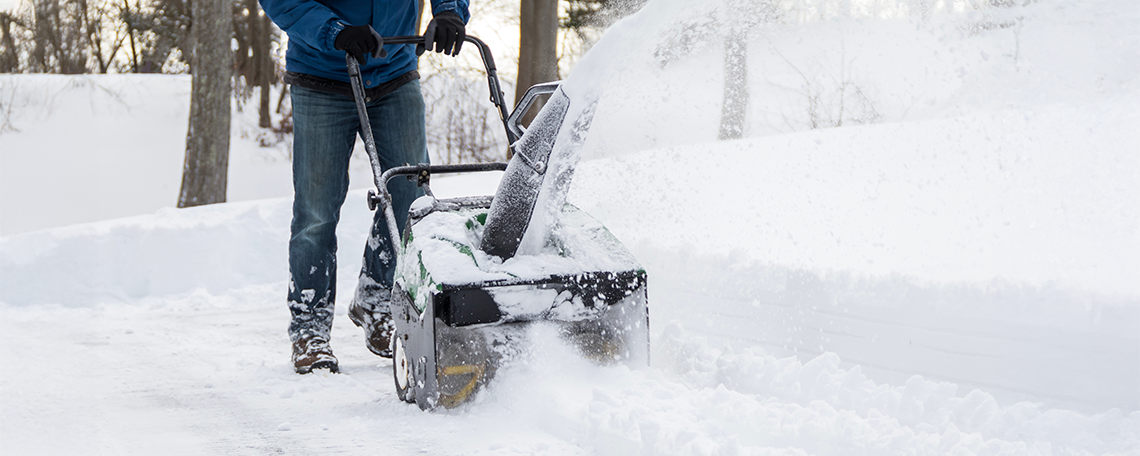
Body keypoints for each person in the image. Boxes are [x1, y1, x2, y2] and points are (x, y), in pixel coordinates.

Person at [259, 0, 470, 374]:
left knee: (410, 199)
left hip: (394, 70)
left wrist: (449, 11)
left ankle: (375, 300)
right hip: (321, 74)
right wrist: (334, 31)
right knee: (316, 211)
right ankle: (309, 328)